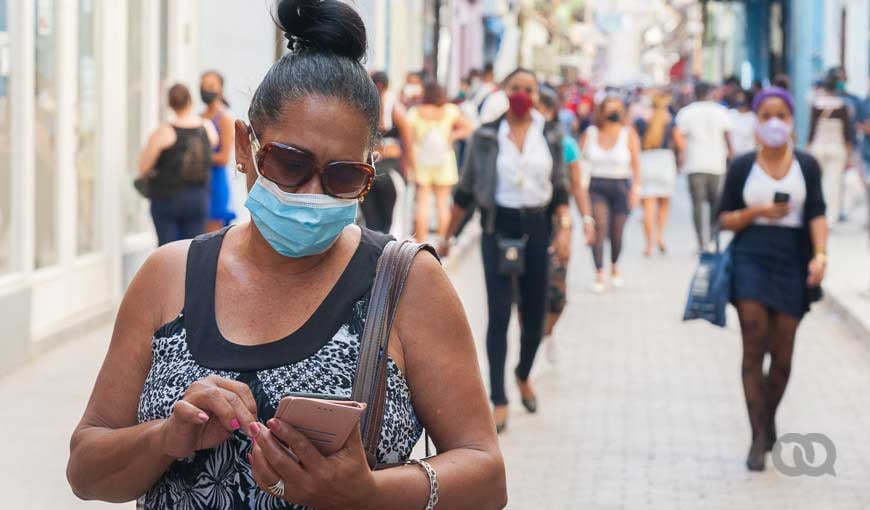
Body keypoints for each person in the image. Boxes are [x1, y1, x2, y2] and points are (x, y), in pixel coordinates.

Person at [68, 2, 507, 509]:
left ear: (369, 175)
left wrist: (369, 493)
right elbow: (86, 469)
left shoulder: (406, 283)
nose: (312, 194)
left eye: (342, 176)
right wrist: (165, 437)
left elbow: (486, 473)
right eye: (289, 163)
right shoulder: (169, 277)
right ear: (243, 146)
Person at [441, 68, 572, 433]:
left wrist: (564, 230)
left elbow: (560, 189)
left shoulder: (550, 133)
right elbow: (465, 191)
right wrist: (447, 236)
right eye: (515, 88)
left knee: (533, 317)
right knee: (498, 315)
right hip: (497, 229)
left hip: (537, 228)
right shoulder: (486, 135)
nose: (521, 95)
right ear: (504, 92)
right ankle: (498, 398)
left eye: (529, 89)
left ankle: (523, 372)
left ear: (536, 93)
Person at [718, 87, 828, 472]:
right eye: (766, 115)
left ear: (791, 119)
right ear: (756, 121)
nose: (774, 122)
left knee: (782, 355)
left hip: (792, 260)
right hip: (750, 255)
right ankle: (756, 437)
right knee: (753, 340)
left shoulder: (808, 166)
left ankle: (768, 413)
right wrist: (759, 211)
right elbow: (724, 218)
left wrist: (820, 255)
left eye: (781, 114)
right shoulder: (742, 165)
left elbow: (817, 211)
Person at [537, 88, 595, 362]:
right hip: (526, 223)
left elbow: (578, 186)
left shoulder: (566, 144)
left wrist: (586, 218)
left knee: (558, 291)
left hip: (559, 222)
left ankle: (547, 334)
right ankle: (532, 340)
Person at [137, 84, 217, 246]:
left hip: (167, 197)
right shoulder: (206, 127)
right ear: (191, 100)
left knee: (168, 251)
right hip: (198, 197)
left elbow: (143, 167)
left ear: (170, 104)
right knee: (193, 250)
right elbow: (214, 144)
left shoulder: (164, 131)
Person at [580, 96, 642, 293]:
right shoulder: (590, 134)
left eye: (618, 109)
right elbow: (579, 163)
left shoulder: (628, 134)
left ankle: (615, 265)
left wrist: (636, 189)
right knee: (600, 227)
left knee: (617, 232)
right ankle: (599, 271)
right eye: (610, 109)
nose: (614, 113)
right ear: (602, 111)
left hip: (621, 186)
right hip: (596, 186)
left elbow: (636, 164)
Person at [407, 81, 473, 242]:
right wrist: (452, 136)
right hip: (444, 161)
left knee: (422, 204)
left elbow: (408, 140)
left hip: (421, 161)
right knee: (443, 204)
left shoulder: (415, 112)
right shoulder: (450, 111)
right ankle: (443, 242)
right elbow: (469, 127)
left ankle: (420, 243)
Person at [676, 82, 734, 250]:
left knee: (697, 204)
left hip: (694, 163)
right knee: (716, 205)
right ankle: (713, 239)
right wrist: (731, 154)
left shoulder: (686, 113)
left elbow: (679, 136)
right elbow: (727, 136)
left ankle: (701, 242)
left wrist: (681, 154)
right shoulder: (721, 111)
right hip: (717, 164)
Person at [361, 71, 414, 235]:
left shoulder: (362, 106)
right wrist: (412, 169)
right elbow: (408, 141)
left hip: (367, 170)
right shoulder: (395, 108)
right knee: (393, 222)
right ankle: (390, 255)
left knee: (371, 222)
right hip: (391, 169)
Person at [634, 92, 685, 257]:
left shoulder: (641, 121)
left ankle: (648, 245)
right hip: (664, 161)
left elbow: (633, 142)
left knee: (648, 206)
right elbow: (681, 144)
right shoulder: (670, 121)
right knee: (663, 204)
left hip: (646, 161)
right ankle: (660, 237)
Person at [808, 73, 855, 224]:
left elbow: (812, 130)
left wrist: (808, 148)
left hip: (818, 146)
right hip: (837, 147)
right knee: (834, 183)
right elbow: (847, 133)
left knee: (816, 182)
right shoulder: (843, 106)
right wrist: (849, 153)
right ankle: (830, 218)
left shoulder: (816, 105)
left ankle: (816, 214)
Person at [200, 70, 237, 231]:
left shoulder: (225, 118)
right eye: (203, 85)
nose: (206, 89)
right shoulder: (199, 116)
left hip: (215, 183)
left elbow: (224, 157)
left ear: (220, 89)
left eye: (211, 85)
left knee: (212, 236)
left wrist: (198, 158)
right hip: (198, 183)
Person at [728, 89, 757, 157]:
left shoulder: (754, 118)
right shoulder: (730, 114)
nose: (739, 100)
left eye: (742, 98)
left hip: (748, 154)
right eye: (738, 98)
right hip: (732, 155)